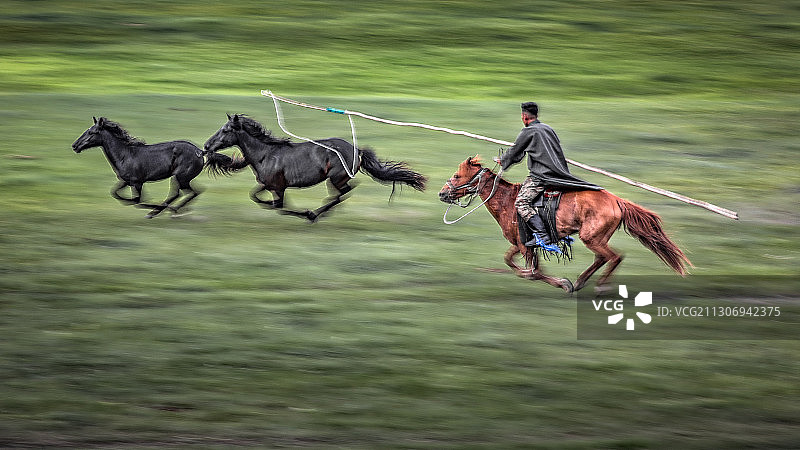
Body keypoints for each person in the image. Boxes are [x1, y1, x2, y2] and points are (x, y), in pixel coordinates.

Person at [496, 102, 602, 251]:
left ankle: (543, 236)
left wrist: (503, 160)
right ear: (536, 115)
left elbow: (515, 153)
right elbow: (520, 153)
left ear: (524, 116)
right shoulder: (548, 129)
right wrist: (511, 156)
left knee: (521, 202)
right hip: (559, 174)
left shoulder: (528, 131)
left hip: (541, 177)